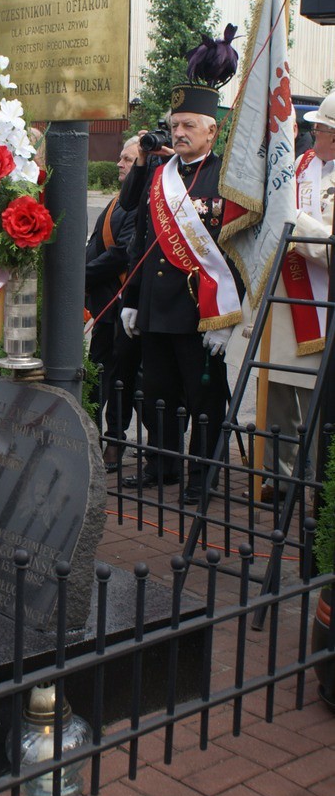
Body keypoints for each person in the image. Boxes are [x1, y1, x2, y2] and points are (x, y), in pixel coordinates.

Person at [121, 74, 243, 505]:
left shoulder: (226, 177)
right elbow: (140, 235)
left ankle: (201, 477)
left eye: (190, 125)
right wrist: (133, 300)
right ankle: (162, 465)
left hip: (200, 310)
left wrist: (228, 317)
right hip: (156, 306)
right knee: (158, 394)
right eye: (175, 125)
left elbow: (235, 251)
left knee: (203, 399)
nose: (179, 133)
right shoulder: (160, 173)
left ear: (212, 129)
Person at [231, 95, 335, 501]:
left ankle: (320, 489)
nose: (313, 134)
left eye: (321, 129)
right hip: (280, 306)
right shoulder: (298, 167)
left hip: (322, 315)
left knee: (319, 411)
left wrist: (295, 221)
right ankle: (278, 478)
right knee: (273, 403)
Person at [85, 138, 138, 466]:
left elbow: (121, 253)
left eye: (128, 159)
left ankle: (116, 439)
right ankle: (90, 434)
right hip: (104, 305)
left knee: (120, 378)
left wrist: (81, 274)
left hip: (122, 304)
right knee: (96, 374)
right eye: (120, 157)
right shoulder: (119, 198)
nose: (119, 164)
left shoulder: (137, 203)